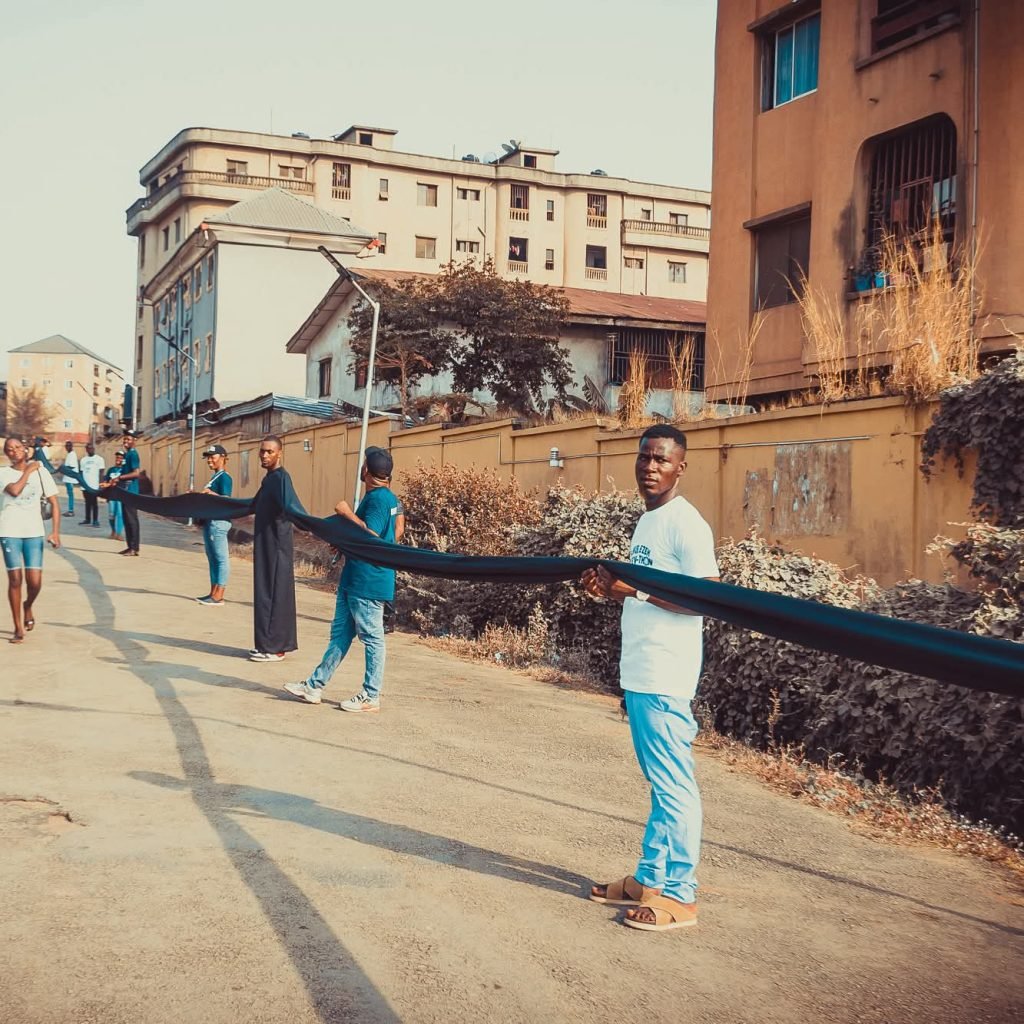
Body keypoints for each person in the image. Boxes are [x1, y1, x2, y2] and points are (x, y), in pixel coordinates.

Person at [582, 424, 719, 933]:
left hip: (666, 675)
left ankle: (681, 896)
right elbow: (636, 589)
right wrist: (610, 589)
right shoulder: (649, 522)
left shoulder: (687, 524)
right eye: (644, 457)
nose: (650, 466)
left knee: (674, 787)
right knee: (662, 786)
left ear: (681, 467)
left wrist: (631, 594)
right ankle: (649, 880)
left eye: (661, 459)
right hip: (642, 673)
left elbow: (705, 596)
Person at [284, 446, 404, 712]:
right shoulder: (391, 499)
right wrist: (345, 543)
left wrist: (345, 513)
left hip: (368, 580)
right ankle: (314, 685)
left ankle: (371, 695)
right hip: (357, 576)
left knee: (372, 639)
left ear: (367, 472)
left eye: (363, 465)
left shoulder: (378, 500)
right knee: (340, 634)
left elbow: (370, 536)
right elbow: (398, 530)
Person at [1, 437, 61, 643]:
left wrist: (55, 532)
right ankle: (18, 627)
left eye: (18, 447)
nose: (14, 451)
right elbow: (15, 491)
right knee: (15, 580)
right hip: (9, 531)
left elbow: (54, 502)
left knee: (34, 582)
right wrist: (28, 470)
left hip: (34, 532)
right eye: (10, 449)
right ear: (6, 454)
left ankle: (27, 605)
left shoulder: (42, 473)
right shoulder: (3, 473)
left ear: (25, 449)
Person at [250, 436, 299, 662]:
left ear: (280, 453)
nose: (265, 455)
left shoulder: (282, 478)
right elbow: (253, 504)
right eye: (262, 451)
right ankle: (265, 644)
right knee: (264, 591)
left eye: (270, 452)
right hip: (265, 542)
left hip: (278, 545)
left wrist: (315, 526)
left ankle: (275, 648)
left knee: (276, 592)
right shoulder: (269, 479)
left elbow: (293, 507)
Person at [196, 444, 233, 606]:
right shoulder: (215, 477)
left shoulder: (225, 478)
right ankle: (212, 592)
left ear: (223, 457)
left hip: (219, 522)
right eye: (208, 457)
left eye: (213, 456)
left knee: (221, 558)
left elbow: (226, 500)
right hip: (210, 521)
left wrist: (210, 494)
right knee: (212, 558)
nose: (210, 460)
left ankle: (219, 595)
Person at [101, 430, 143, 555]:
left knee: (131, 520)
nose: (126, 441)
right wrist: (111, 482)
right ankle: (130, 546)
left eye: (129, 439)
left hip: (131, 492)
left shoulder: (133, 454)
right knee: (126, 519)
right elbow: (124, 473)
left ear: (134, 441)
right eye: (125, 439)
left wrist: (119, 478)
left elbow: (136, 473)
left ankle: (134, 548)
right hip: (125, 491)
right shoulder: (128, 454)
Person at [79, 442, 105, 528]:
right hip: (85, 485)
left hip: (94, 485)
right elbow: (81, 472)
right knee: (87, 503)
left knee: (94, 503)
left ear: (94, 449)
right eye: (88, 448)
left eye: (91, 448)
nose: (90, 449)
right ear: (86, 450)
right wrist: (82, 484)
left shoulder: (99, 459)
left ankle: (95, 520)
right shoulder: (83, 460)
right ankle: (87, 519)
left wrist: (101, 484)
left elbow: (101, 472)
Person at [104, 452, 125, 540]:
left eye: (120, 458)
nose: (118, 459)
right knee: (111, 513)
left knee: (120, 513)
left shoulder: (125, 470)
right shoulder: (111, 470)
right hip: (112, 495)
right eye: (117, 457)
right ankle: (113, 530)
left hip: (121, 495)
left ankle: (119, 533)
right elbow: (106, 481)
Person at [60, 441, 79, 517]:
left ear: (71, 446)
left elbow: (72, 466)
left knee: (70, 494)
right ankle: (70, 509)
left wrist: (63, 468)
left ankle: (71, 510)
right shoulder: (69, 454)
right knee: (69, 493)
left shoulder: (72, 454)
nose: (67, 447)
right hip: (68, 477)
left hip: (70, 477)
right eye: (66, 446)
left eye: (69, 446)